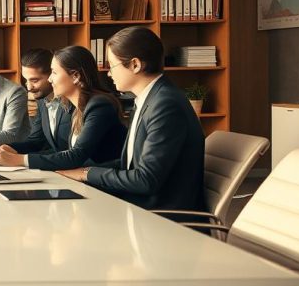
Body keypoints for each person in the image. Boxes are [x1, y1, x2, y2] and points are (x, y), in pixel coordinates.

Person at [57, 27, 206, 211]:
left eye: (112, 66)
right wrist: (81, 172)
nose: (109, 73)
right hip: (139, 204)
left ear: (135, 65)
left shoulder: (166, 105)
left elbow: (145, 180)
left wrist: (86, 174)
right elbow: (128, 163)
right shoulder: (147, 99)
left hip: (161, 215)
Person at [0, 45, 126, 170]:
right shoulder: (77, 106)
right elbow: (60, 150)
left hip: (105, 186)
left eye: (54, 73)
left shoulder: (99, 105)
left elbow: (75, 155)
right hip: (83, 179)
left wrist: (19, 159)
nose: (50, 79)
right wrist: (13, 151)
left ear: (76, 76)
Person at [20, 48, 56, 125]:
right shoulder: (41, 102)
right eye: (26, 80)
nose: (29, 88)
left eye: (34, 81)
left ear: (51, 75)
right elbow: (35, 136)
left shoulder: (70, 103)